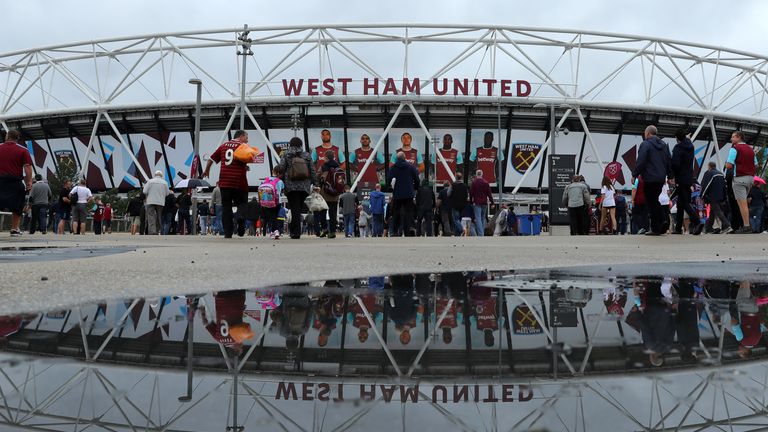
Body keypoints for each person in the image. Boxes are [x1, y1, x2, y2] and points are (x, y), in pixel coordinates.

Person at [203, 130, 250, 238]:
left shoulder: (223, 146)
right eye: (246, 137)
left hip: (224, 182)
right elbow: (251, 158)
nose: (247, 140)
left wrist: (207, 170)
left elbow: (211, 159)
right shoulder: (243, 146)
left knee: (226, 207)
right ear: (241, 136)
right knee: (242, 204)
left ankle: (228, 233)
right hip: (239, 181)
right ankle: (239, 216)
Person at [632, 125, 673, 236]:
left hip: (649, 178)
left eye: (645, 134)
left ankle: (657, 226)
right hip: (660, 179)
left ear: (648, 133)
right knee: (654, 200)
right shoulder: (664, 145)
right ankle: (661, 224)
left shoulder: (645, 144)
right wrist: (670, 176)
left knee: (651, 202)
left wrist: (634, 174)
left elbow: (641, 161)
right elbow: (669, 161)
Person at [277, 136, 316, 239]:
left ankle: (295, 232)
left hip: (291, 186)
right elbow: (312, 170)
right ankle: (295, 231)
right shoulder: (307, 155)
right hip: (304, 187)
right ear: (300, 144)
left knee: (294, 208)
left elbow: (281, 168)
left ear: (290, 144)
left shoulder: (286, 154)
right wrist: (315, 183)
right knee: (297, 207)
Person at [0, 130, 33, 237]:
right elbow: (27, 167)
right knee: (18, 205)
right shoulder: (23, 150)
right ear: (17, 138)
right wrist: (29, 182)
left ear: (7, 136)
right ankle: (14, 229)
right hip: (15, 181)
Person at [671, 129, 703, 235]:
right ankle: (678, 228)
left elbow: (675, 164)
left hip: (680, 178)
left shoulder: (678, 148)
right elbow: (687, 141)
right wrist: (687, 139)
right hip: (689, 178)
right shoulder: (690, 146)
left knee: (684, 202)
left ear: (677, 138)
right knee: (680, 203)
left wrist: (672, 176)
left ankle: (697, 221)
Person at [725, 131, 757, 234]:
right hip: (750, 179)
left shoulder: (734, 148)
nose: (731, 139)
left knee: (742, 204)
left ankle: (746, 226)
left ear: (739, 138)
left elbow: (729, 166)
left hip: (739, 178)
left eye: (733, 137)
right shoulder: (751, 150)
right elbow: (756, 164)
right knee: (744, 204)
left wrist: (729, 163)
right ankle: (746, 225)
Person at [387, 151, 420, 236]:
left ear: (397, 158)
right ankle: (409, 230)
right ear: (404, 158)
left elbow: (388, 180)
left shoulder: (393, 168)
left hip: (397, 194)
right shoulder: (411, 167)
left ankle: (394, 231)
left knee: (396, 212)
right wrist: (415, 188)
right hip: (409, 193)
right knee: (409, 212)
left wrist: (391, 189)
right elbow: (417, 179)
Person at [317, 150, 342, 238]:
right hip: (335, 195)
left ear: (326, 158)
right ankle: (332, 232)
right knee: (333, 214)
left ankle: (324, 229)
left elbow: (318, 177)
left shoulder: (323, 167)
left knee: (322, 212)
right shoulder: (338, 167)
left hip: (325, 194)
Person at [701, 162, 731, 234]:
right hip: (720, 196)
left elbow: (706, 185)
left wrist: (703, 196)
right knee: (712, 212)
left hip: (712, 196)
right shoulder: (720, 174)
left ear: (709, 166)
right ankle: (708, 228)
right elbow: (725, 186)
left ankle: (727, 226)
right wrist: (724, 197)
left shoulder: (709, 173)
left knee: (718, 211)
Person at [258, 168, 285, 238]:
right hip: (277, 201)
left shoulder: (266, 179)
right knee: (275, 216)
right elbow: (282, 191)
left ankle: (272, 232)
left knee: (271, 217)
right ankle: (276, 231)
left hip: (267, 201)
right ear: (279, 174)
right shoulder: (280, 181)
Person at [142, 170, 169, 235]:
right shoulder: (165, 182)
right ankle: (158, 230)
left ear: (155, 175)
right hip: (160, 202)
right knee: (159, 216)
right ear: (161, 176)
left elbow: (144, 191)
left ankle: (152, 231)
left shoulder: (150, 181)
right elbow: (167, 193)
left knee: (151, 216)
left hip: (150, 201)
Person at [469, 169, 493, 236]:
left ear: (476, 175)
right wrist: (492, 202)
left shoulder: (474, 183)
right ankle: (481, 233)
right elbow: (489, 193)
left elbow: (471, 193)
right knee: (482, 218)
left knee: (478, 218)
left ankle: (481, 234)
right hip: (484, 203)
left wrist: (471, 201)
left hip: (477, 203)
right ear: (482, 174)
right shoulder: (486, 182)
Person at [448, 171, 469, 236]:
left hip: (455, 204)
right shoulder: (465, 186)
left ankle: (461, 230)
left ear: (456, 177)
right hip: (463, 205)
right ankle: (458, 233)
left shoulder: (453, 185)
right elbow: (467, 195)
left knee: (455, 219)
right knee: (459, 219)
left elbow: (448, 194)